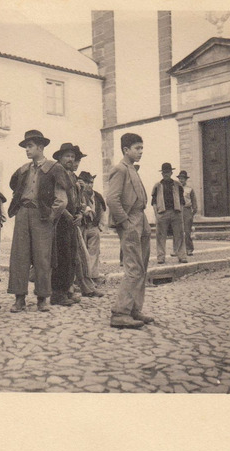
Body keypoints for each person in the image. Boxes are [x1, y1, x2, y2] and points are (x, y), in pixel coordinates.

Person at [7, 130, 68, 312]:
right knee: (19, 256)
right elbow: (14, 187)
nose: (27, 150)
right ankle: (19, 299)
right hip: (23, 214)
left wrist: (50, 216)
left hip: (42, 216)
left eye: (30, 146)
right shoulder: (23, 170)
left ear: (41, 147)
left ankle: (42, 298)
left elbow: (62, 199)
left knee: (42, 257)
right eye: (26, 146)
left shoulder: (54, 168)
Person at [107, 132, 153, 329]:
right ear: (126, 150)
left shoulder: (132, 168)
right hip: (131, 221)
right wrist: (125, 223)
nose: (141, 152)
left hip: (141, 219)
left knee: (141, 267)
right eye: (137, 148)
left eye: (142, 148)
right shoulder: (120, 169)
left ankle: (135, 309)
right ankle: (120, 312)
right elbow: (112, 199)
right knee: (133, 268)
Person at [50, 143, 83, 306]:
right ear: (60, 158)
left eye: (72, 156)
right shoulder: (56, 172)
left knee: (71, 257)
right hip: (60, 221)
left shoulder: (71, 175)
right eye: (67, 156)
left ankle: (67, 291)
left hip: (71, 222)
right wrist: (68, 215)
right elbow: (55, 199)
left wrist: (79, 214)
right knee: (61, 257)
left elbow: (75, 199)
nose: (70, 159)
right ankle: (57, 294)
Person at [151, 163, 188, 264]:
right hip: (162, 213)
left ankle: (182, 256)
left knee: (180, 235)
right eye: (164, 172)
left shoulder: (177, 184)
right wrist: (156, 215)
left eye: (168, 172)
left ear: (171, 173)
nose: (166, 174)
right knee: (160, 236)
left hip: (176, 212)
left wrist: (181, 213)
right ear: (162, 173)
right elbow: (153, 202)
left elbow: (182, 200)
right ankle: (161, 257)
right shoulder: (157, 186)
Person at [79, 171, 107, 283]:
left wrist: (100, 225)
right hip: (82, 227)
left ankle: (93, 277)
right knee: (81, 253)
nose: (90, 185)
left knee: (94, 252)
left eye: (91, 182)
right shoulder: (79, 194)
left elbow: (103, 210)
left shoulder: (98, 196)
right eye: (87, 182)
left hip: (93, 227)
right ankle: (82, 279)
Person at [176, 170, 197, 256]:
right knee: (178, 231)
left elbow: (194, 201)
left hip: (187, 210)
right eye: (180, 178)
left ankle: (189, 249)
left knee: (187, 231)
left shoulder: (189, 189)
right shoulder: (176, 188)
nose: (181, 180)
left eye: (183, 178)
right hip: (178, 210)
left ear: (186, 179)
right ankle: (178, 249)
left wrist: (193, 212)